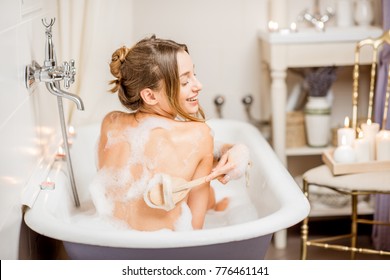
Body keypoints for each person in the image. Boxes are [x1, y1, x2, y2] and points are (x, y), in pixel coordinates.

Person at [92, 36, 214, 231]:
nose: (198, 85)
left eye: (194, 75)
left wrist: (225, 150)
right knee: (213, 196)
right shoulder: (200, 135)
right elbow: (194, 229)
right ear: (149, 95)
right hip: (162, 251)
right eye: (185, 82)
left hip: (107, 239)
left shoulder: (111, 122)